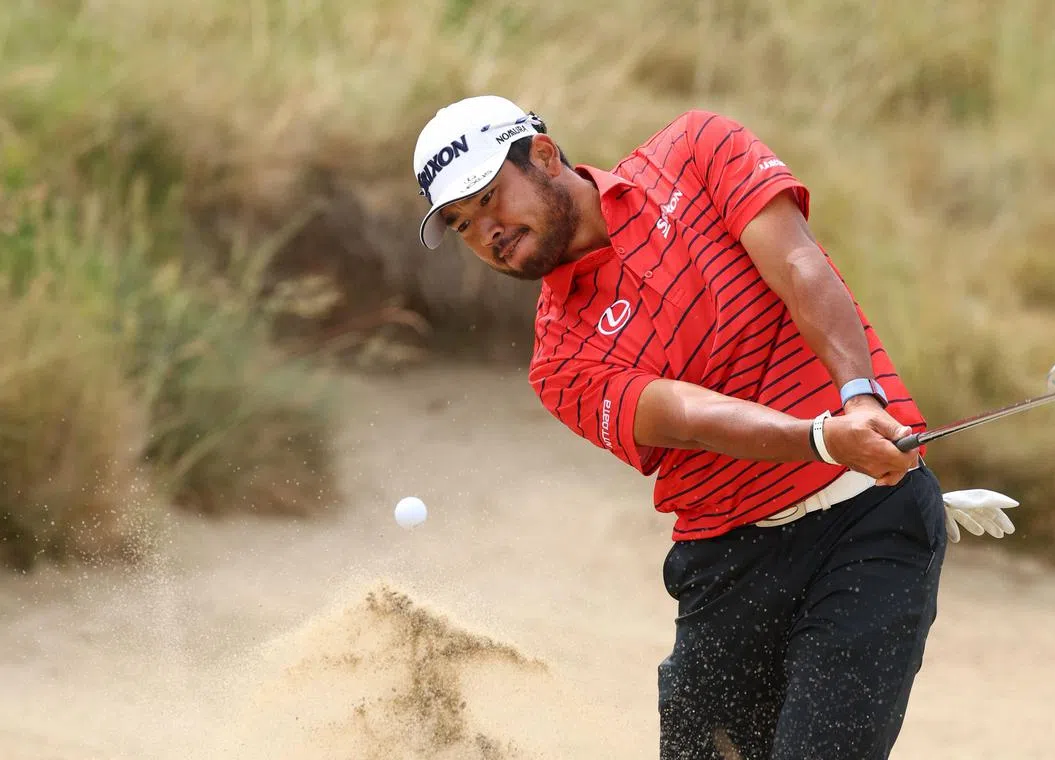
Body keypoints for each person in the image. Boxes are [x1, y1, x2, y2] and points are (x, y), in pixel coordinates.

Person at [412, 95, 1016, 759]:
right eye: (464, 225)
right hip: (730, 572)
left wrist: (859, 398)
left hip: (870, 524)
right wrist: (821, 438)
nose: (488, 231)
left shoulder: (695, 151)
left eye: (492, 197)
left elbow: (798, 265)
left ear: (547, 157)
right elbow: (690, 417)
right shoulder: (559, 360)